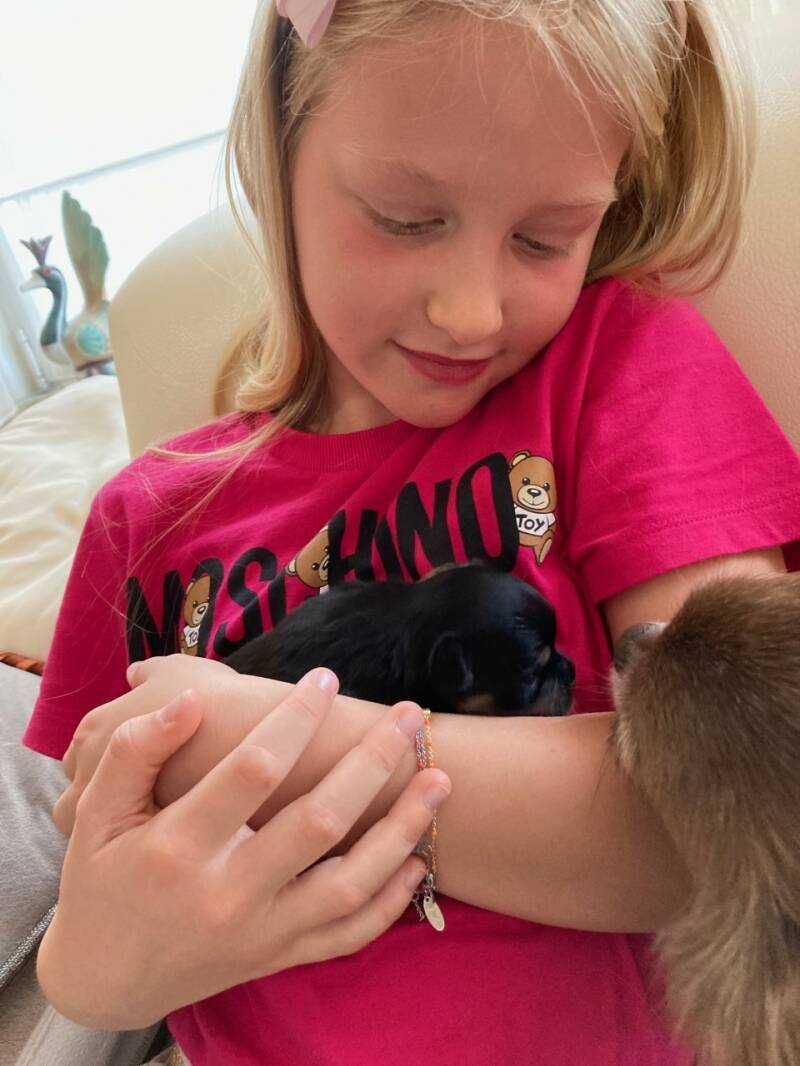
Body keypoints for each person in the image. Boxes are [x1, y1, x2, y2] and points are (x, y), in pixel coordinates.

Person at [21, 0, 800, 1063]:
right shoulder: (144, 516)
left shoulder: (621, 368)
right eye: (404, 217)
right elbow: (90, 929)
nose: (471, 311)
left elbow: (733, 816)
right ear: (281, 140)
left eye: (544, 239)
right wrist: (106, 963)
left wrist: (285, 749)